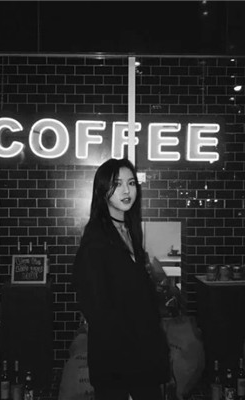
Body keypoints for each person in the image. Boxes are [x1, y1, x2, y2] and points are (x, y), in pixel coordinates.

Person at [72, 158, 170, 400]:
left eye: (131, 183)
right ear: (102, 190)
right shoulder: (96, 239)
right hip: (115, 355)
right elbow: (95, 305)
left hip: (143, 349)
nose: (127, 191)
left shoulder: (129, 230)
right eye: (117, 184)